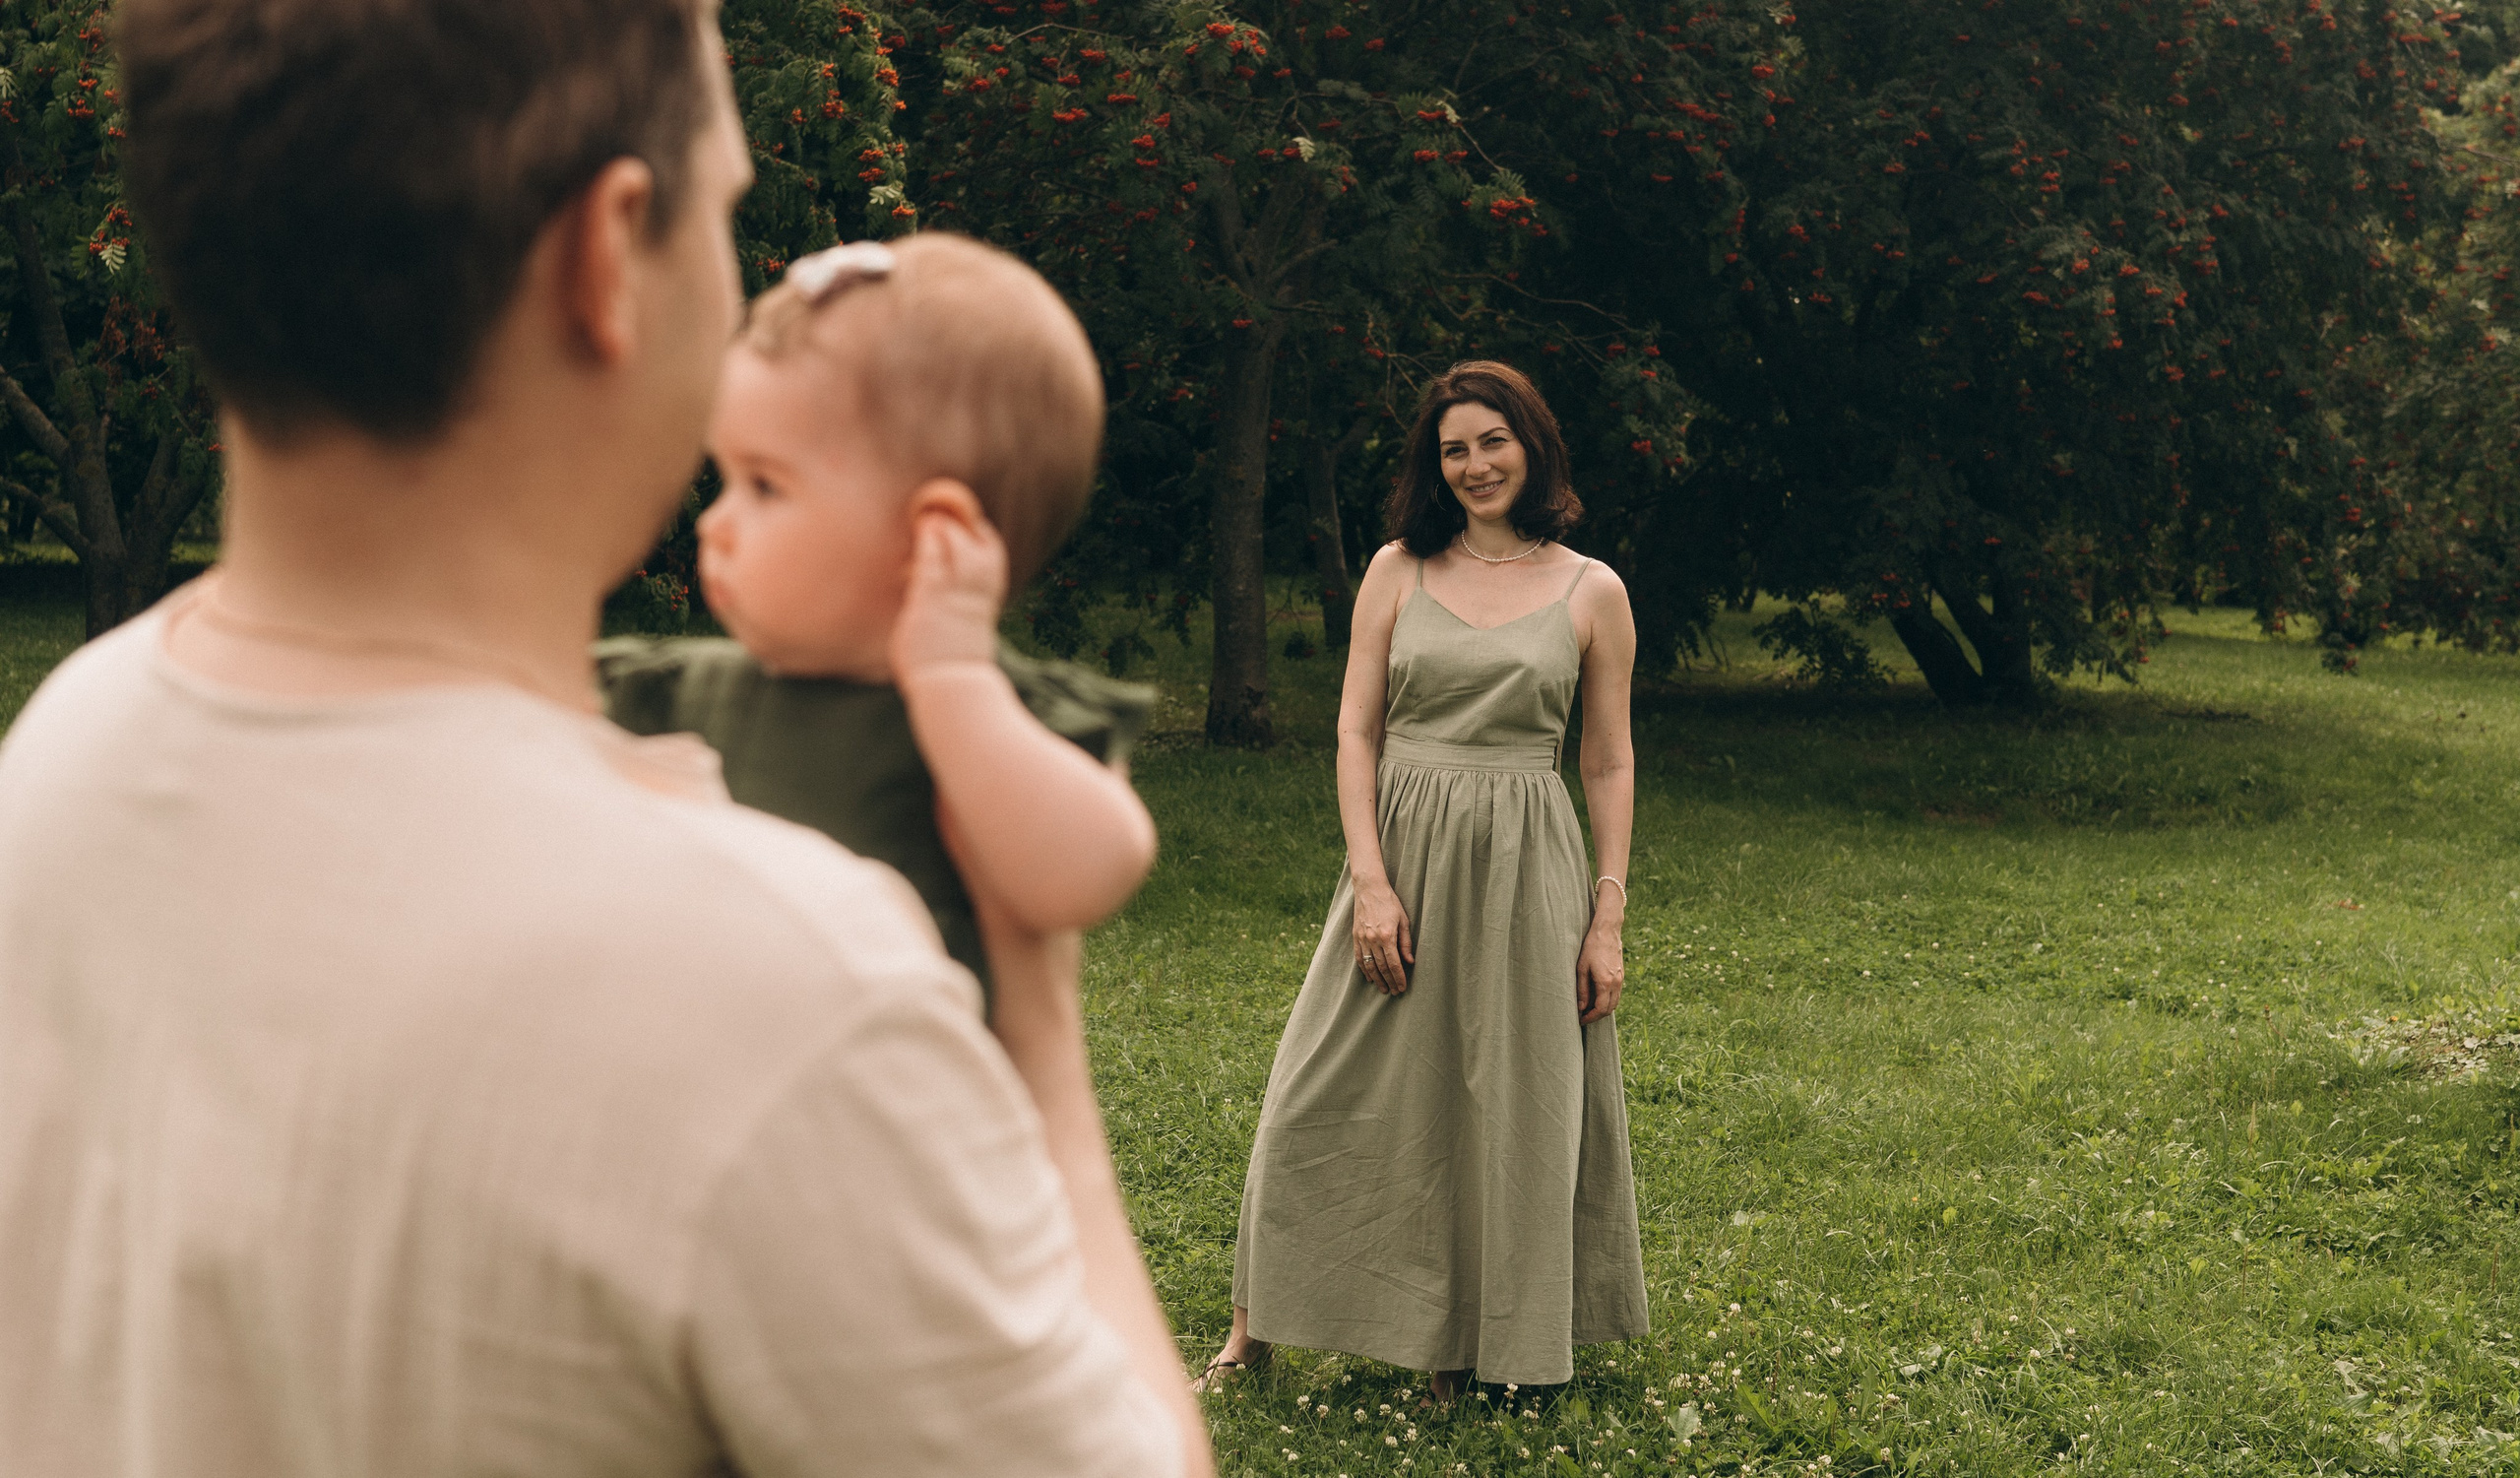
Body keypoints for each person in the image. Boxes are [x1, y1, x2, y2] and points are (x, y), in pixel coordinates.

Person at [0, 3, 1211, 1476]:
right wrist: (1046, 1059)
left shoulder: (58, 764)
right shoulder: (791, 992)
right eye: (728, 210)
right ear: (605, 256)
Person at [1202, 361, 1649, 1400]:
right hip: (1401, 853)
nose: (1475, 463)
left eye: (1492, 440)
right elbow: (1357, 728)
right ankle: (1251, 1329)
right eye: (1454, 448)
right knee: (1315, 1089)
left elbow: (1608, 759)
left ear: (1530, 444)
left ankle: (1467, 1343)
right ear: (1433, 465)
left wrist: (1607, 915)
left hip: (1528, 865)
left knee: (1503, 1109)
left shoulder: (1593, 590)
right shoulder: (1397, 569)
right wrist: (1370, 879)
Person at [596, 234, 1160, 994]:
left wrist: (951, 677)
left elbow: (1089, 876)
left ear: (931, 534)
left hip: (888, 1100)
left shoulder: (989, 724)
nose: (713, 522)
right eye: (722, 478)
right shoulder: (672, 692)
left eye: (763, 486)